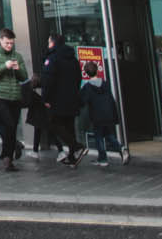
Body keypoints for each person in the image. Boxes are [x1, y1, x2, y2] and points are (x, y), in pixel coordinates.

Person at [0, 28, 28, 172]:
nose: (9, 46)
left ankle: (8, 156)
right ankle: (8, 157)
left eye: (11, 43)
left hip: (14, 96)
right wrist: (4, 66)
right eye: (7, 43)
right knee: (8, 124)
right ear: (1, 40)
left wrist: (16, 69)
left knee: (12, 127)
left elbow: (24, 76)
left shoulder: (18, 56)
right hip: (0, 96)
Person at [40, 33, 84, 166]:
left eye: (49, 42)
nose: (48, 45)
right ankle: (72, 157)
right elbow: (78, 78)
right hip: (71, 98)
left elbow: (48, 80)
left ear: (53, 43)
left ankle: (76, 147)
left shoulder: (52, 59)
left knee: (53, 123)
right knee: (69, 126)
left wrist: (45, 98)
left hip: (57, 99)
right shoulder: (73, 59)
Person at [80, 61, 127, 166]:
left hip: (97, 116)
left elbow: (82, 101)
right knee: (109, 134)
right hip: (108, 114)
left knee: (99, 137)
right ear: (97, 70)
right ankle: (121, 149)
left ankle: (103, 159)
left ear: (86, 73)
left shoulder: (87, 87)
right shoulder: (105, 84)